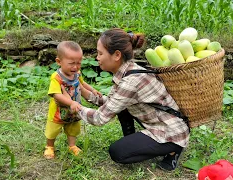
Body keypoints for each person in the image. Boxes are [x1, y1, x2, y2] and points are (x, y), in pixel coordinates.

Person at [63, 28, 190, 171]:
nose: (97, 57)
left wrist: (72, 105)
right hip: (160, 122)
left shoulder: (131, 81)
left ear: (117, 55)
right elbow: (112, 104)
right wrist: (82, 91)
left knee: (118, 152)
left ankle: (174, 149)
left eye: (100, 53)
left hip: (171, 131)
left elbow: (99, 118)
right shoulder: (128, 71)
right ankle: (138, 141)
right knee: (122, 109)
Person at [44, 41, 100, 159]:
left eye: (79, 63)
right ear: (59, 62)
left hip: (74, 110)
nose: (75, 67)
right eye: (71, 63)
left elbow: (82, 84)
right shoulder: (57, 77)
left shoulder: (77, 74)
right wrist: (71, 102)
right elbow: (56, 95)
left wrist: (93, 90)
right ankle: (49, 146)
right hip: (59, 112)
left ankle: (72, 145)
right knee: (53, 130)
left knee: (73, 128)